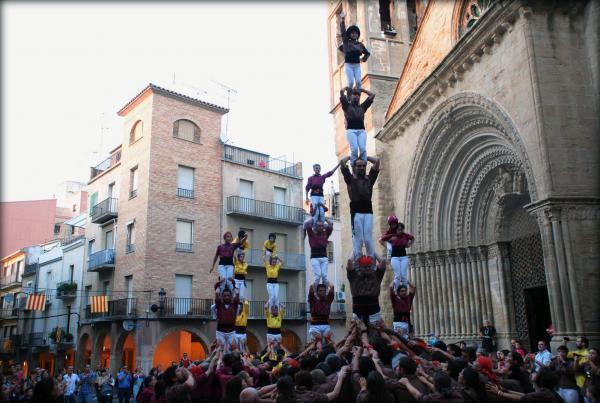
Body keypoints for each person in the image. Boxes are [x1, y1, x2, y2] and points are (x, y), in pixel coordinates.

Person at [340, 155, 380, 259]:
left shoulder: (369, 179)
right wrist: (350, 157)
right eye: (359, 166)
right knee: (358, 239)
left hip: (368, 211)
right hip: (356, 212)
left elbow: (377, 161)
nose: (361, 167)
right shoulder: (350, 179)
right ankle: (357, 262)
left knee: (368, 239)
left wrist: (365, 156)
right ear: (354, 167)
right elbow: (342, 163)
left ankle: (371, 263)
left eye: (363, 166)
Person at [340, 88, 375, 166]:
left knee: (363, 149)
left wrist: (362, 90)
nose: (356, 96)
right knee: (354, 149)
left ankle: (364, 165)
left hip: (361, 131)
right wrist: (346, 88)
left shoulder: (363, 107)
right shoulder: (346, 106)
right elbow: (341, 93)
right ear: (351, 96)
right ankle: (353, 165)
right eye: (354, 94)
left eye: (358, 95)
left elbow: (372, 95)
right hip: (351, 130)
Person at [347, 256, 386, 326]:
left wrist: (374, 253)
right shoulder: (354, 276)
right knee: (356, 331)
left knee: (376, 331)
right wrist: (355, 254)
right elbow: (349, 261)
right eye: (365, 267)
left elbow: (383, 261)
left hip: (373, 308)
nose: (367, 268)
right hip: (358, 309)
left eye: (369, 267)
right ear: (360, 267)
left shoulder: (376, 275)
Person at [338, 10, 370, 90]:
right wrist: (342, 20)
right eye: (352, 33)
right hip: (348, 65)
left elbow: (367, 53)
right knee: (351, 82)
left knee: (359, 82)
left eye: (355, 33)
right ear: (350, 35)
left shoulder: (360, 45)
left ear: (357, 35)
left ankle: (357, 99)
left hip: (356, 65)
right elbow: (343, 32)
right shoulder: (346, 42)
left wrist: (363, 59)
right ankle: (349, 97)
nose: (354, 34)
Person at [379, 216, 414, 288]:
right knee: (398, 275)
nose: (394, 226)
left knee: (403, 275)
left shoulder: (403, 234)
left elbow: (411, 238)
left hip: (403, 256)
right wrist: (389, 243)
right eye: (392, 224)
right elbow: (381, 239)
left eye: (395, 224)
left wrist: (408, 245)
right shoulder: (390, 232)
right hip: (394, 254)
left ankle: (404, 290)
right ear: (390, 224)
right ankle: (395, 291)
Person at [305, 163, 340, 228]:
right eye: (316, 168)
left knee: (321, 212)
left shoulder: (322, 177)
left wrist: (338, 165)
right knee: (316, 211)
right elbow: (307, 188)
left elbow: (331, 172)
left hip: (321, 196)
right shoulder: (311, 178)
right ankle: (315, 226)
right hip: (314, 196)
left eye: (319, 168)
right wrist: (307, 198)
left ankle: (321, 226)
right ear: (314, 169)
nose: (318, 169)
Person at [305, 217, 334, 289]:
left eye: (322, 226)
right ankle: (314, 291)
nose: (320, 227)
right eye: (319, 226)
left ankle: (325, 291)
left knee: (324, 276)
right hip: (315, 258)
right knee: (317, 275)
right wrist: (314, 217)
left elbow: (331, 224)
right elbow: (307, 223)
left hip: (324, 257)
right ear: (315, 226)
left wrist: (324, 218)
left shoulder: (325, 233)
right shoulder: (311, 234)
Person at [215, 287, 240, 353]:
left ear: (231, 296)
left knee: (233, 348)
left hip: (231, 331)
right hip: (220, 331)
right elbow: (217, 299)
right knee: (220, 349)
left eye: (228, 296)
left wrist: (237, 293)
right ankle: (219, 362)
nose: (226, 297)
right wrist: (217, 293)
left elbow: (237, 300)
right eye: (225, 296)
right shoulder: (219, 305)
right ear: (222, 297)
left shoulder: (234, 305)